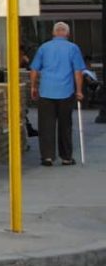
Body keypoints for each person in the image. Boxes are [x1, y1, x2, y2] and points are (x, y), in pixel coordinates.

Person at [30, 21, 86, 166]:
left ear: (53, 33)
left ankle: (47, 156)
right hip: (66, 91)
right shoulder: (73, 48)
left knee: (46, 126)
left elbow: (34, 69)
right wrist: (79, 91)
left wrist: (33, 87)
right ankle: (66, 157)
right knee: (65, 125)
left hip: (46, 91)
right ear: (68, 33)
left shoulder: (44, 47)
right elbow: (78, 72)